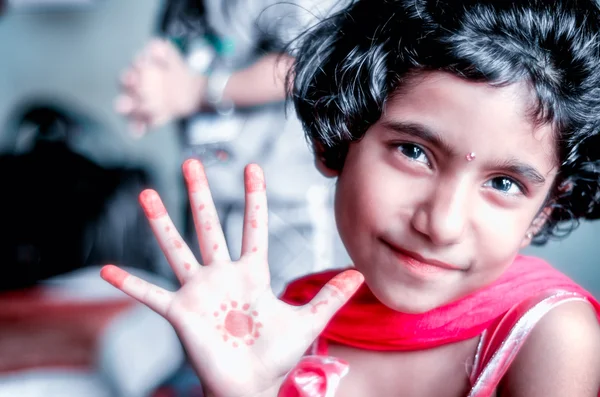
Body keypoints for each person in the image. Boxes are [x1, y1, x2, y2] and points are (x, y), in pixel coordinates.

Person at [101, 0, 600, 396]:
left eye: (505, 184)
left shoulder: (551, 335)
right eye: (413, 151)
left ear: (543, 213)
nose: (441, 224)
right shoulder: (293, 321)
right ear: (334, 141)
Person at [115, 0, 350, 295]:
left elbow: (310, 59)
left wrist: (196, 91)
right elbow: (179, 71)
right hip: (208, 201)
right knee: (208, 322)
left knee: (291, 321)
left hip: (286, 208)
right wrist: (151, 90)